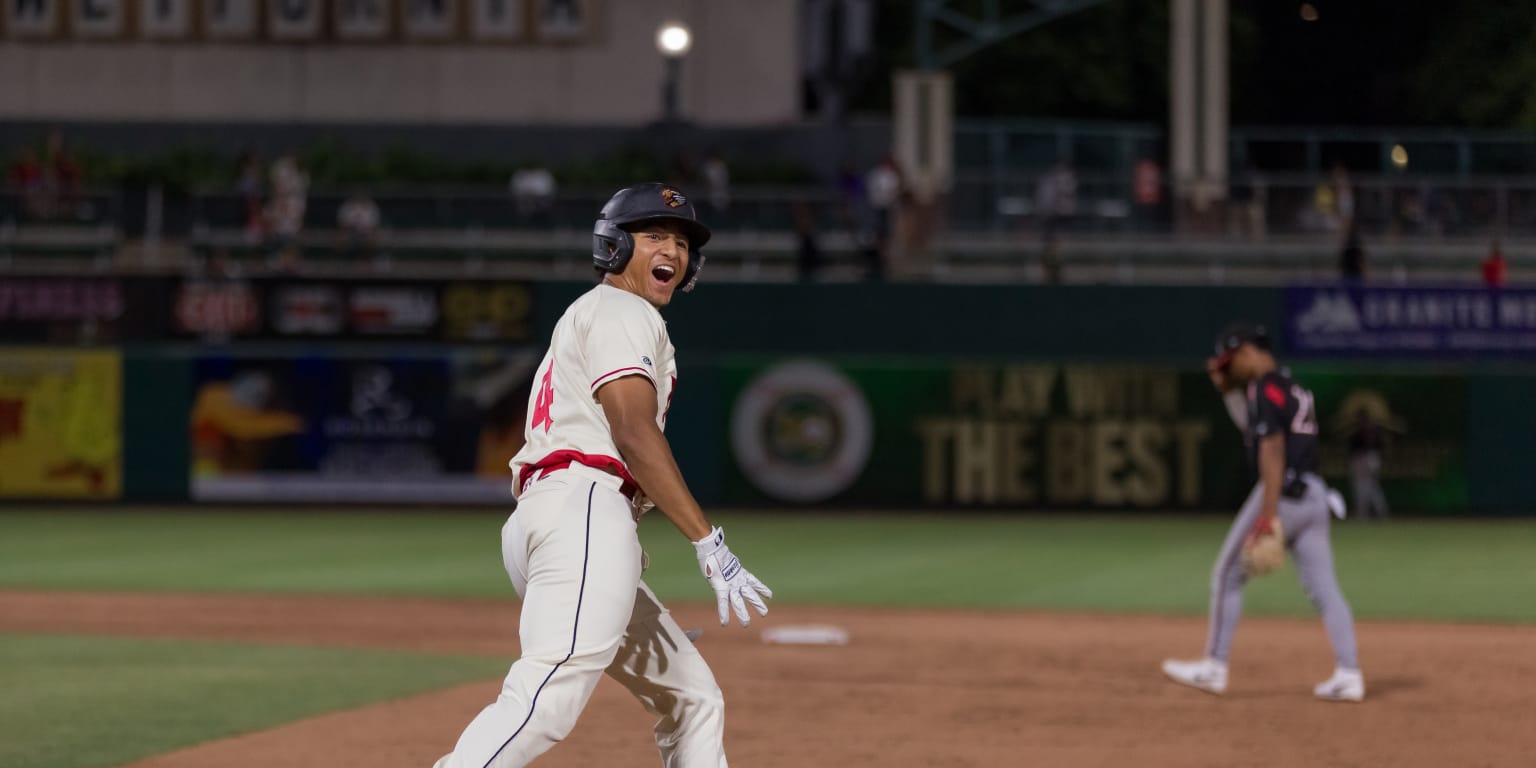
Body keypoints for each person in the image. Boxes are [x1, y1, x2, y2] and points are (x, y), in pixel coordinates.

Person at [432, 183, 773, 768]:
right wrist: (706, 540)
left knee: (693, 698)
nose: (673, 249)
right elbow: (635, 434)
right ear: (613, 247)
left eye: (682, 241)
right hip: (582, 508)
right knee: (545, 700)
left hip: (562, 513)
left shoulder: (599, 313)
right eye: (654, 236)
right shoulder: (622, 309)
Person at [1161, 323, 1364, 703]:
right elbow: (1258, 432)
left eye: (1231, 361)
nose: (1229, 369)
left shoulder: (1261, 388)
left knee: (1225, 576)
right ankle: (1349, 673)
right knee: (1326, 591)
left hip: (1282, 494)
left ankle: (1214, 667)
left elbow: (1270, 450)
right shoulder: (1291, 388)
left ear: (1248, 352)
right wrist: (1227, 393)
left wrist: (1268, 515)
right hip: (1315, 496)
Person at [1346, 409, 1389, 521]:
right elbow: (1382, 444)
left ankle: (1362, 513)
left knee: (1361, 487)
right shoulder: (1375, 429)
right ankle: (1381, 512)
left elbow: (1354, 445)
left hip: (1363, 458)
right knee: (1373, 486)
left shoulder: (1361, 429)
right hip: (1374, 458)